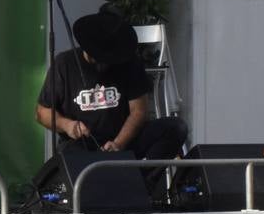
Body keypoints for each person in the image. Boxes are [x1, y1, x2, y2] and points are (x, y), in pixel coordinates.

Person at [35, 8, 187, 164]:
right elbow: (42, 112)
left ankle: (143, 181)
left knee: (175, 128)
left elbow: (139, 111)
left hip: (125, 142)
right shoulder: (64, 64)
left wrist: (118, 144)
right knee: (71, 158)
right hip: (81, 146)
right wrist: (67, 125)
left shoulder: (129, 62)